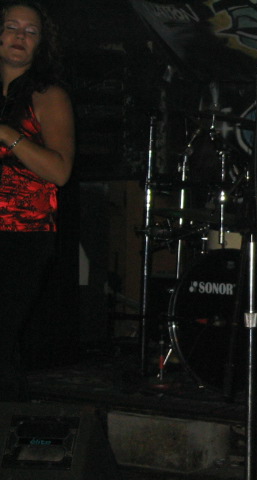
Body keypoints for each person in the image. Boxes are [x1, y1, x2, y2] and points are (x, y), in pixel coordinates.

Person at [0, 0, 74, 402]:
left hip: (21, 234)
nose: (20, 36)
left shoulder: (48, 96)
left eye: (30, 31)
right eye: (12, 27)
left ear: (40, 43)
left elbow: (60, 171)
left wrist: (6, 133)